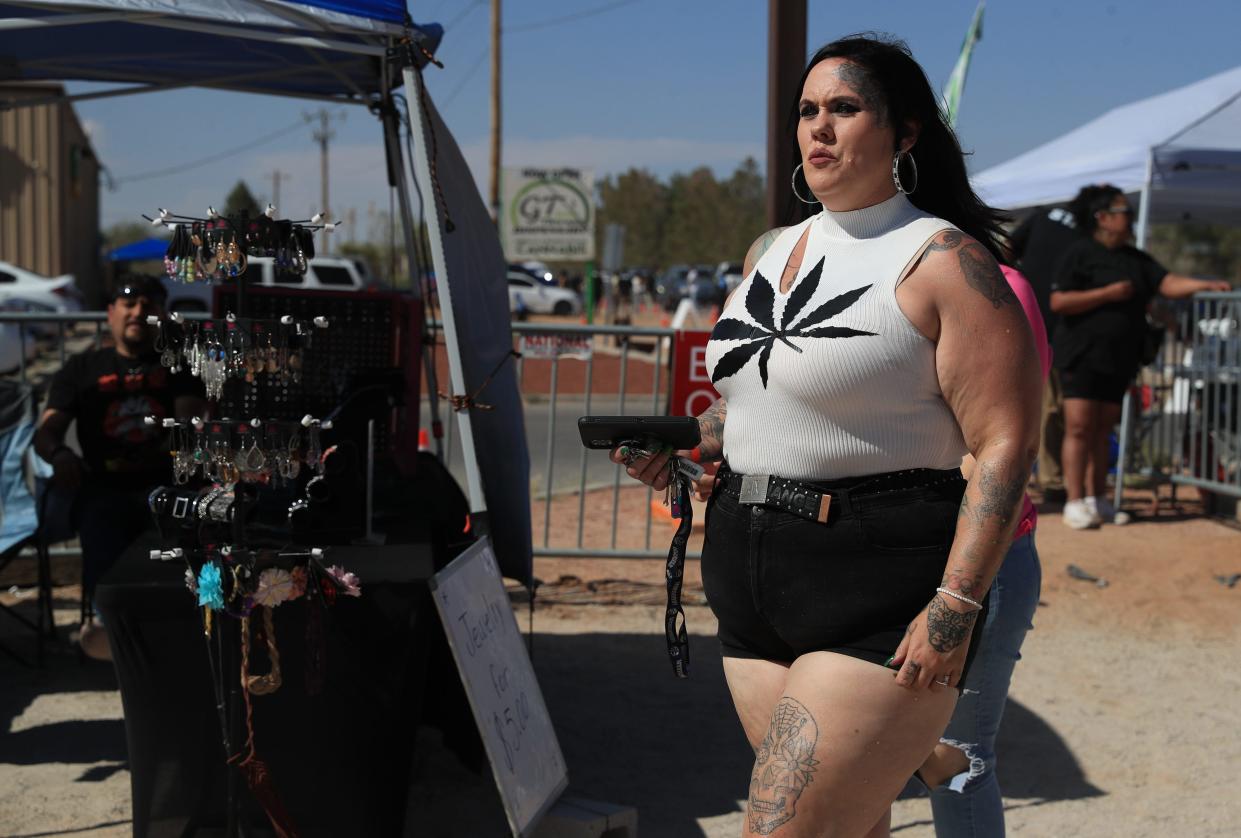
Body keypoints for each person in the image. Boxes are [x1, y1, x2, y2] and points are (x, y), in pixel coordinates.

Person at [614, 35, 1040, 838]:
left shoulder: (943, 259)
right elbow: (751, 407)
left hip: (880, 588)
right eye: (807, 111)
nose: (818, 128)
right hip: (749, 588)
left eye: (843, 108)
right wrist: (687, 444)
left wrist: (954, 606)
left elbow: (1004, 443)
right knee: (850, 826)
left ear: (903, 134)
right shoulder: (770, 251)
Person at [915, 265, 1048, 837]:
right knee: (860, 754)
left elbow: (1008, 441)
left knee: (954, 757)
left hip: (975, 558)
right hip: (872, 553)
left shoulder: (1001, 286)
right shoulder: (866, 276)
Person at [34, 276, 204, 658]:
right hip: (103, 487)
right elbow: (46, 434)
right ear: (110, 313)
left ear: (164, 315)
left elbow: (188, 426)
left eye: (150, 305)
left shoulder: (181, 366)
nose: (139, 311)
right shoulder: (81, 368)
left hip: (167, 485)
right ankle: (111, 630)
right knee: (100, 520)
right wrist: (60, 455)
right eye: (129, 304)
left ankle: (175, 634)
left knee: (178, 524)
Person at [1050, 185, 1229, 530]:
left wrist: (1204, 285)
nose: (1129, 218)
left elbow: (1167, 282)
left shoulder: (1135, 260)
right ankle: (1074, 501)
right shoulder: (1079, 254)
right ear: (1102, 218)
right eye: (1123, 212)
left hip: (1119, 359)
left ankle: (1097, 498)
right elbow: (1059, 302)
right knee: (1078, 427)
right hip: (1081, 356)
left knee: (1103, 430)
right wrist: (1107, 294)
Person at [1009, 204, 1084, 503]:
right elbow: (1007, 247)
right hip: (1043, 329)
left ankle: (1056, 479)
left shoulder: (1048, 217)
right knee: (1050, 411)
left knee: (1059, 412)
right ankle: (1051, 480)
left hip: (1062, 334)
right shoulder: (1045, 217)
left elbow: (1007, 246)